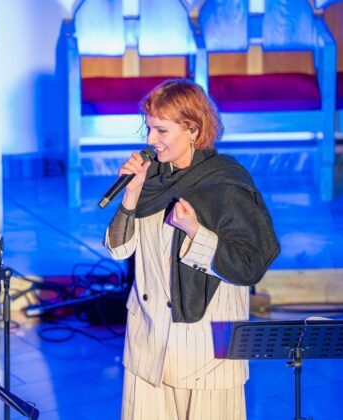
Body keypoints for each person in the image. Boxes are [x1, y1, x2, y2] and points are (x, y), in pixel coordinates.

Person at [104, 79, 280, 420]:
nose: (150, 139)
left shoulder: (227, 183)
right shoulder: (150, 181)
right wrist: (131, 195)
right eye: (149, 128)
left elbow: (248, 266)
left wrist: (196, 231)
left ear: (193, 130)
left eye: (161, 130)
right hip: (148, 344)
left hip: (205, 351)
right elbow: (119, 250)